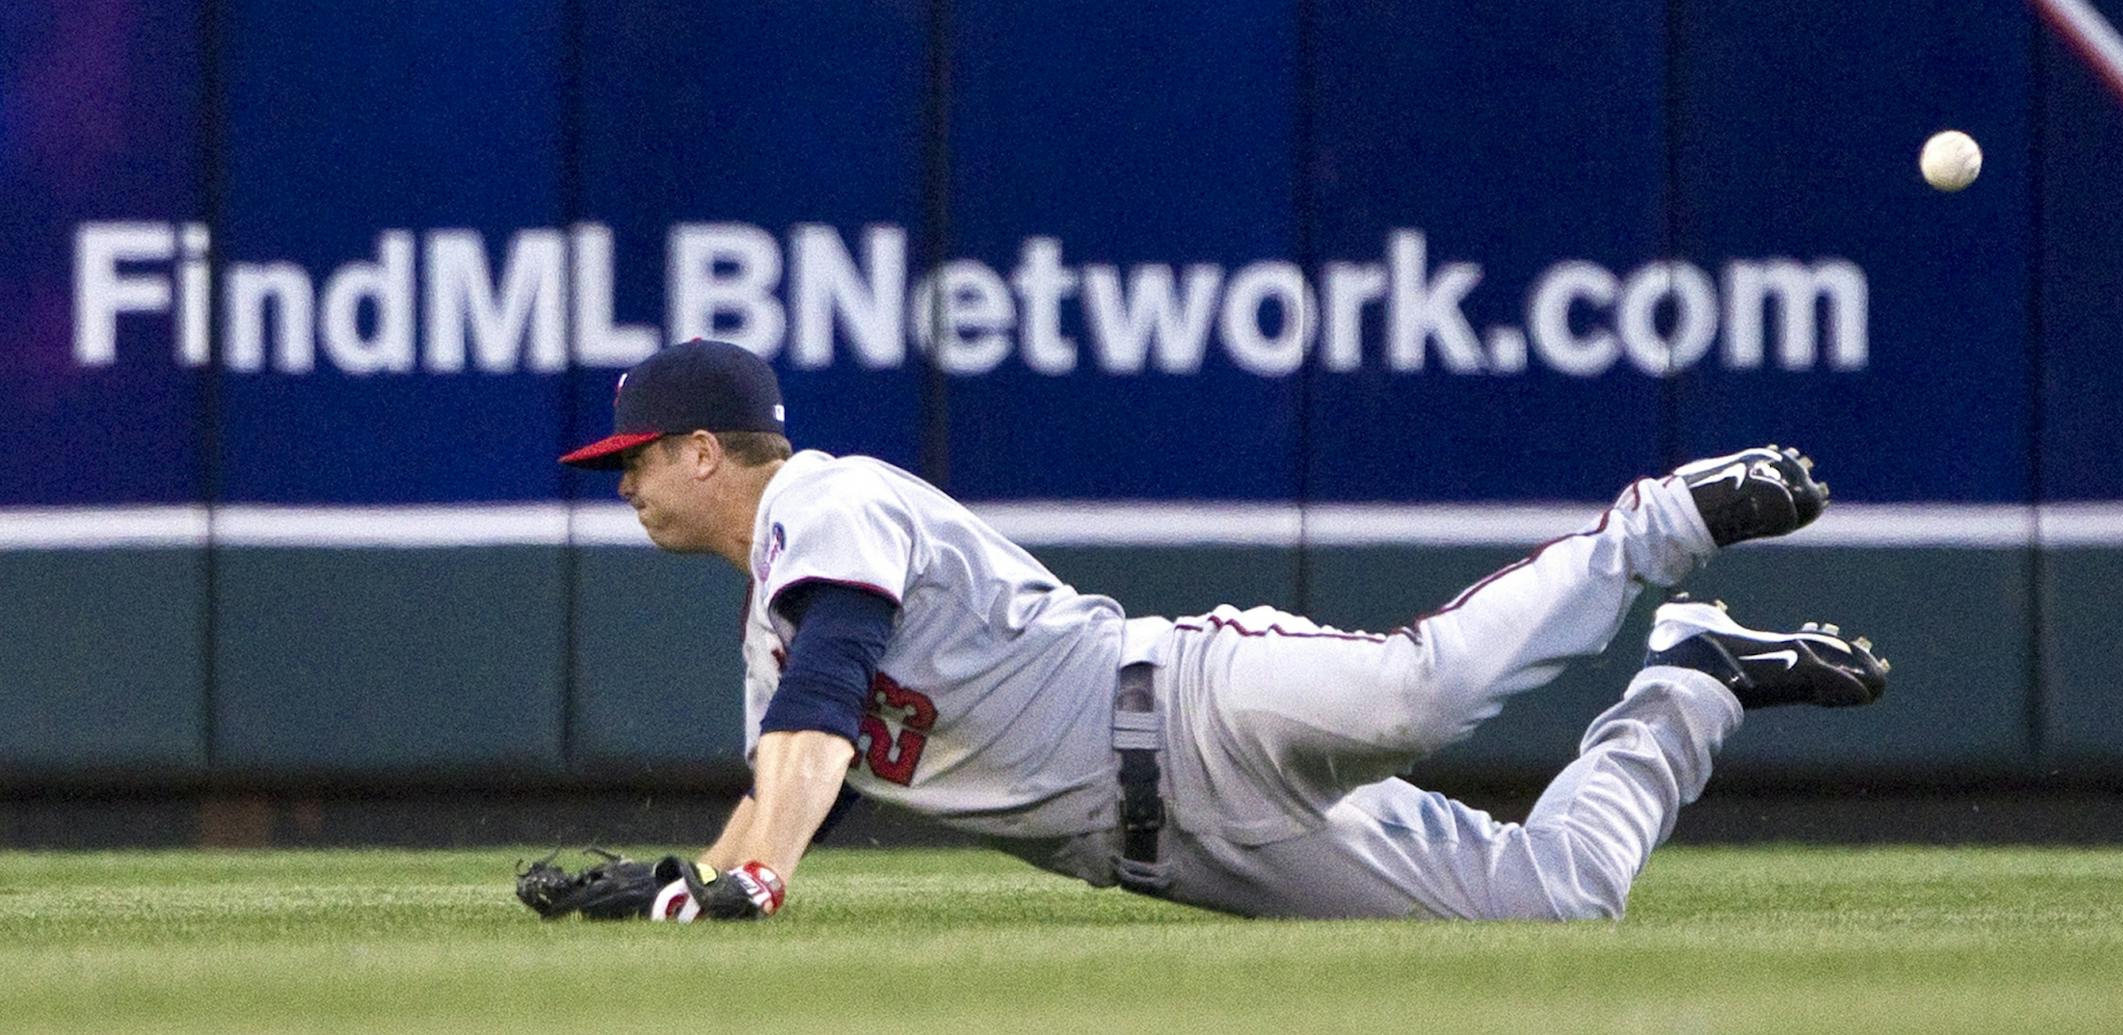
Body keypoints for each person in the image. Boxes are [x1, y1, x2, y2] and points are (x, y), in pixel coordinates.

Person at [524, 338, 1887, 923]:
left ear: (707, 450)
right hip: (1187, 852)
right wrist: (698, 883)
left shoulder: (832, 498)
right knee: (1554, 904)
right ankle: (1695, 677)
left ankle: (1660, 527)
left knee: (1424, 695)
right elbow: (792, 786)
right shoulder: (763, 639)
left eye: (635, 459)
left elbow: (826, 697)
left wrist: (749, 877)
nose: (625, 484)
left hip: (1183, 699)